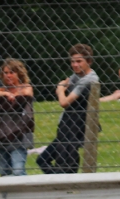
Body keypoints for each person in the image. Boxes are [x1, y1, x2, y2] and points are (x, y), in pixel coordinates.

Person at [36, 44, 99, 175]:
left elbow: (64, 102)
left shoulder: (88, 79)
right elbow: (67, 82)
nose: (75, 65)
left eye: (79, 61)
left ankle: (66, 185)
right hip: (66, 126)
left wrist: (59, 90)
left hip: (77, 128)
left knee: (65, 164)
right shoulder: (76, 76)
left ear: (89, 61)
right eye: (72, 61)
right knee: (42, 160)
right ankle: (59, 183)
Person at [0, 59, 34, 176]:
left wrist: (14, 95)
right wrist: (5, 94)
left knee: (18, 170)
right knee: (4, 171)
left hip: (19, 136)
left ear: (19, 73)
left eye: (12, 72)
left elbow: (27, 94)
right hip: (3, 135)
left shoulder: (25, 87)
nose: (8, 75)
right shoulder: (2, 90)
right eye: (5, 73)